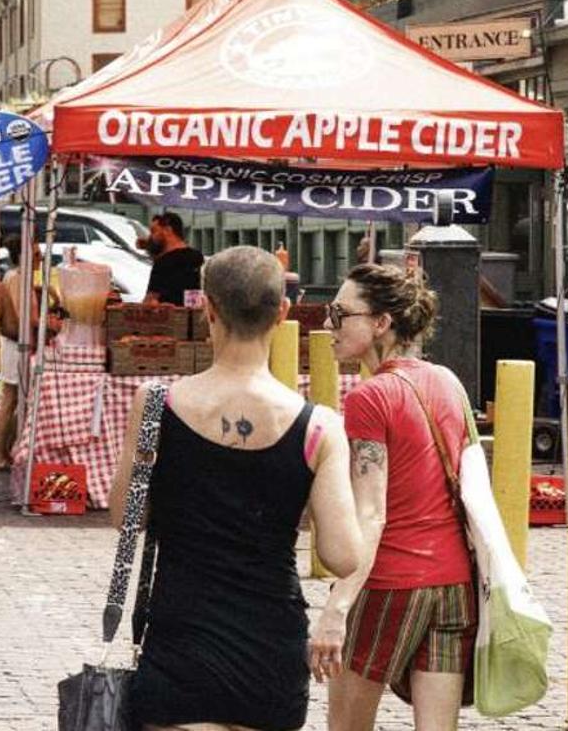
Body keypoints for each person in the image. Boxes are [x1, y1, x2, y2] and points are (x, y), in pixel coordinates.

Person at [116, 246, 363, 731]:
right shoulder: (319, 428)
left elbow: (127, 516)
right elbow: (343, 555)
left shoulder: (154, 405)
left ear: (207, 308)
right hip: (269, 647)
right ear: (283, 313)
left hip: (179, 639)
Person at [314, 263, 476, 731]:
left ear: (381, 322)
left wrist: (336, 608)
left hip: (389, 584)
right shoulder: (447, 381)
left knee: (347, 726)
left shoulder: (370, 397)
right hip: (453, 587)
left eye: (340, 313)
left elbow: (371, 512)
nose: (329, 324)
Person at [0, 238, 57, 473]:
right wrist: (52, 323)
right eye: (36, 254)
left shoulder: (18, 277)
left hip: (18, 344)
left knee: (16, 398)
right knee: (10, 399)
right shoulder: (18, 278)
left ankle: (5, 450)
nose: (40, 258)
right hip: (17, 345)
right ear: (23, 255)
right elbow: (28, 317)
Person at [143, 212, 205, 306]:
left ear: (168, 230)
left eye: (154, 231)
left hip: (169, 318)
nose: (151, 237)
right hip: (193, 315)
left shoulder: (163, 263)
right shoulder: (197, 257)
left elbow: (151, 300)